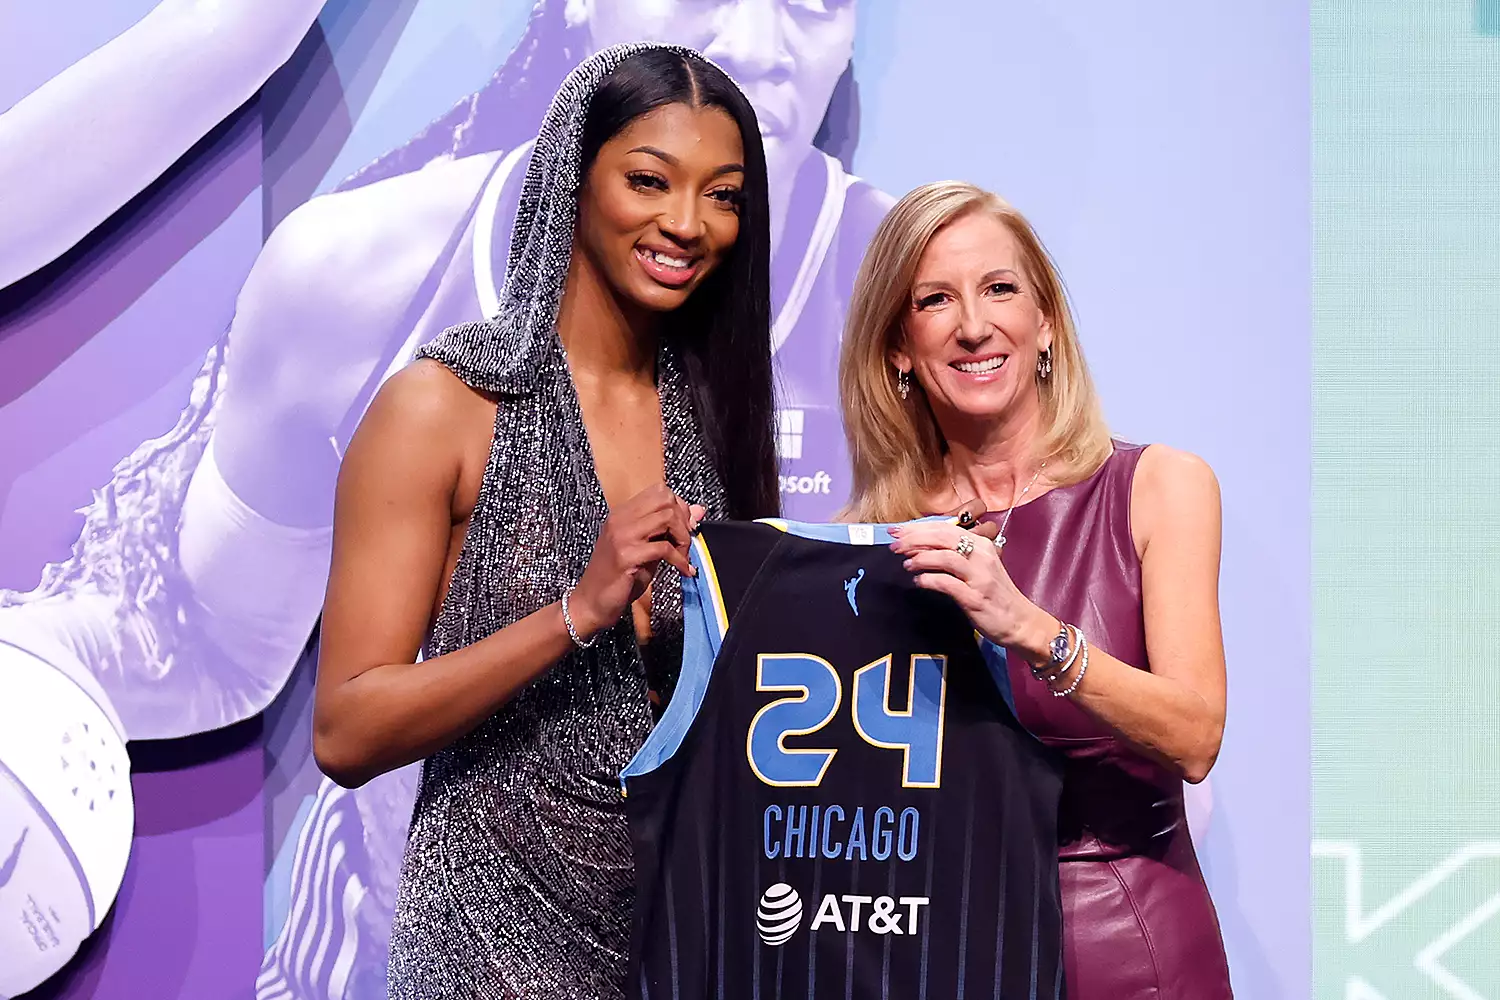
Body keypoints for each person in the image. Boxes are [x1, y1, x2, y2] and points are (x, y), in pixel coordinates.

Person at [308, 43, 777, 999]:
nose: (686, 224)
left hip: (677, 940)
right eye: (649, 180)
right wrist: (576, 611)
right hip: (484, 945)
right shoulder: (447, 404)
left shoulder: (711, 418)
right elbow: (347, 729)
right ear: (574, 171)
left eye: (722, 195)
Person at [840, 181, 1232, 998]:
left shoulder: (1158, 487)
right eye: (934, 299)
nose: (974, 325)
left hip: (1128, 950)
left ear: (1045, 320)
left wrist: (1030, 629)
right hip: (933, 956)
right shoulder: (865, 548)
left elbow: (1197, 735)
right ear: (898, 351)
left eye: (999, 289)